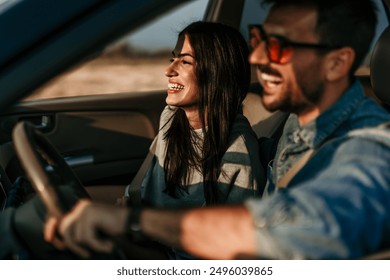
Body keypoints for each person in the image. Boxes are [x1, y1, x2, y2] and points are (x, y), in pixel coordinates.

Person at [45, 0, 390, 259]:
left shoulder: (367, 148)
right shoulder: (297, 128)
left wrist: (133, 223)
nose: (254, 59)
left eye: (278, 47)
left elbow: (286, 233)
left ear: (336, 63)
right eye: (258, 40)